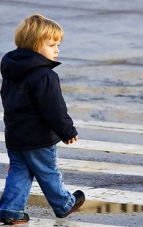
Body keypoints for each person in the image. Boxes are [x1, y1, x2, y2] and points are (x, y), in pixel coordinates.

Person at [0, 14, 85, 225]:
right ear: (36, 45)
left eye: (58, 44)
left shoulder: (11, 70)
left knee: (19, 172)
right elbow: (54, 108)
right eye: (51, 44)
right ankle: (64, 204)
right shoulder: (44, 75)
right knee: (48, 171)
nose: (57, 49)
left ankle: (10, 210)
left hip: (15, 134)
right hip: (38, 137)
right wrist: (67, 131)